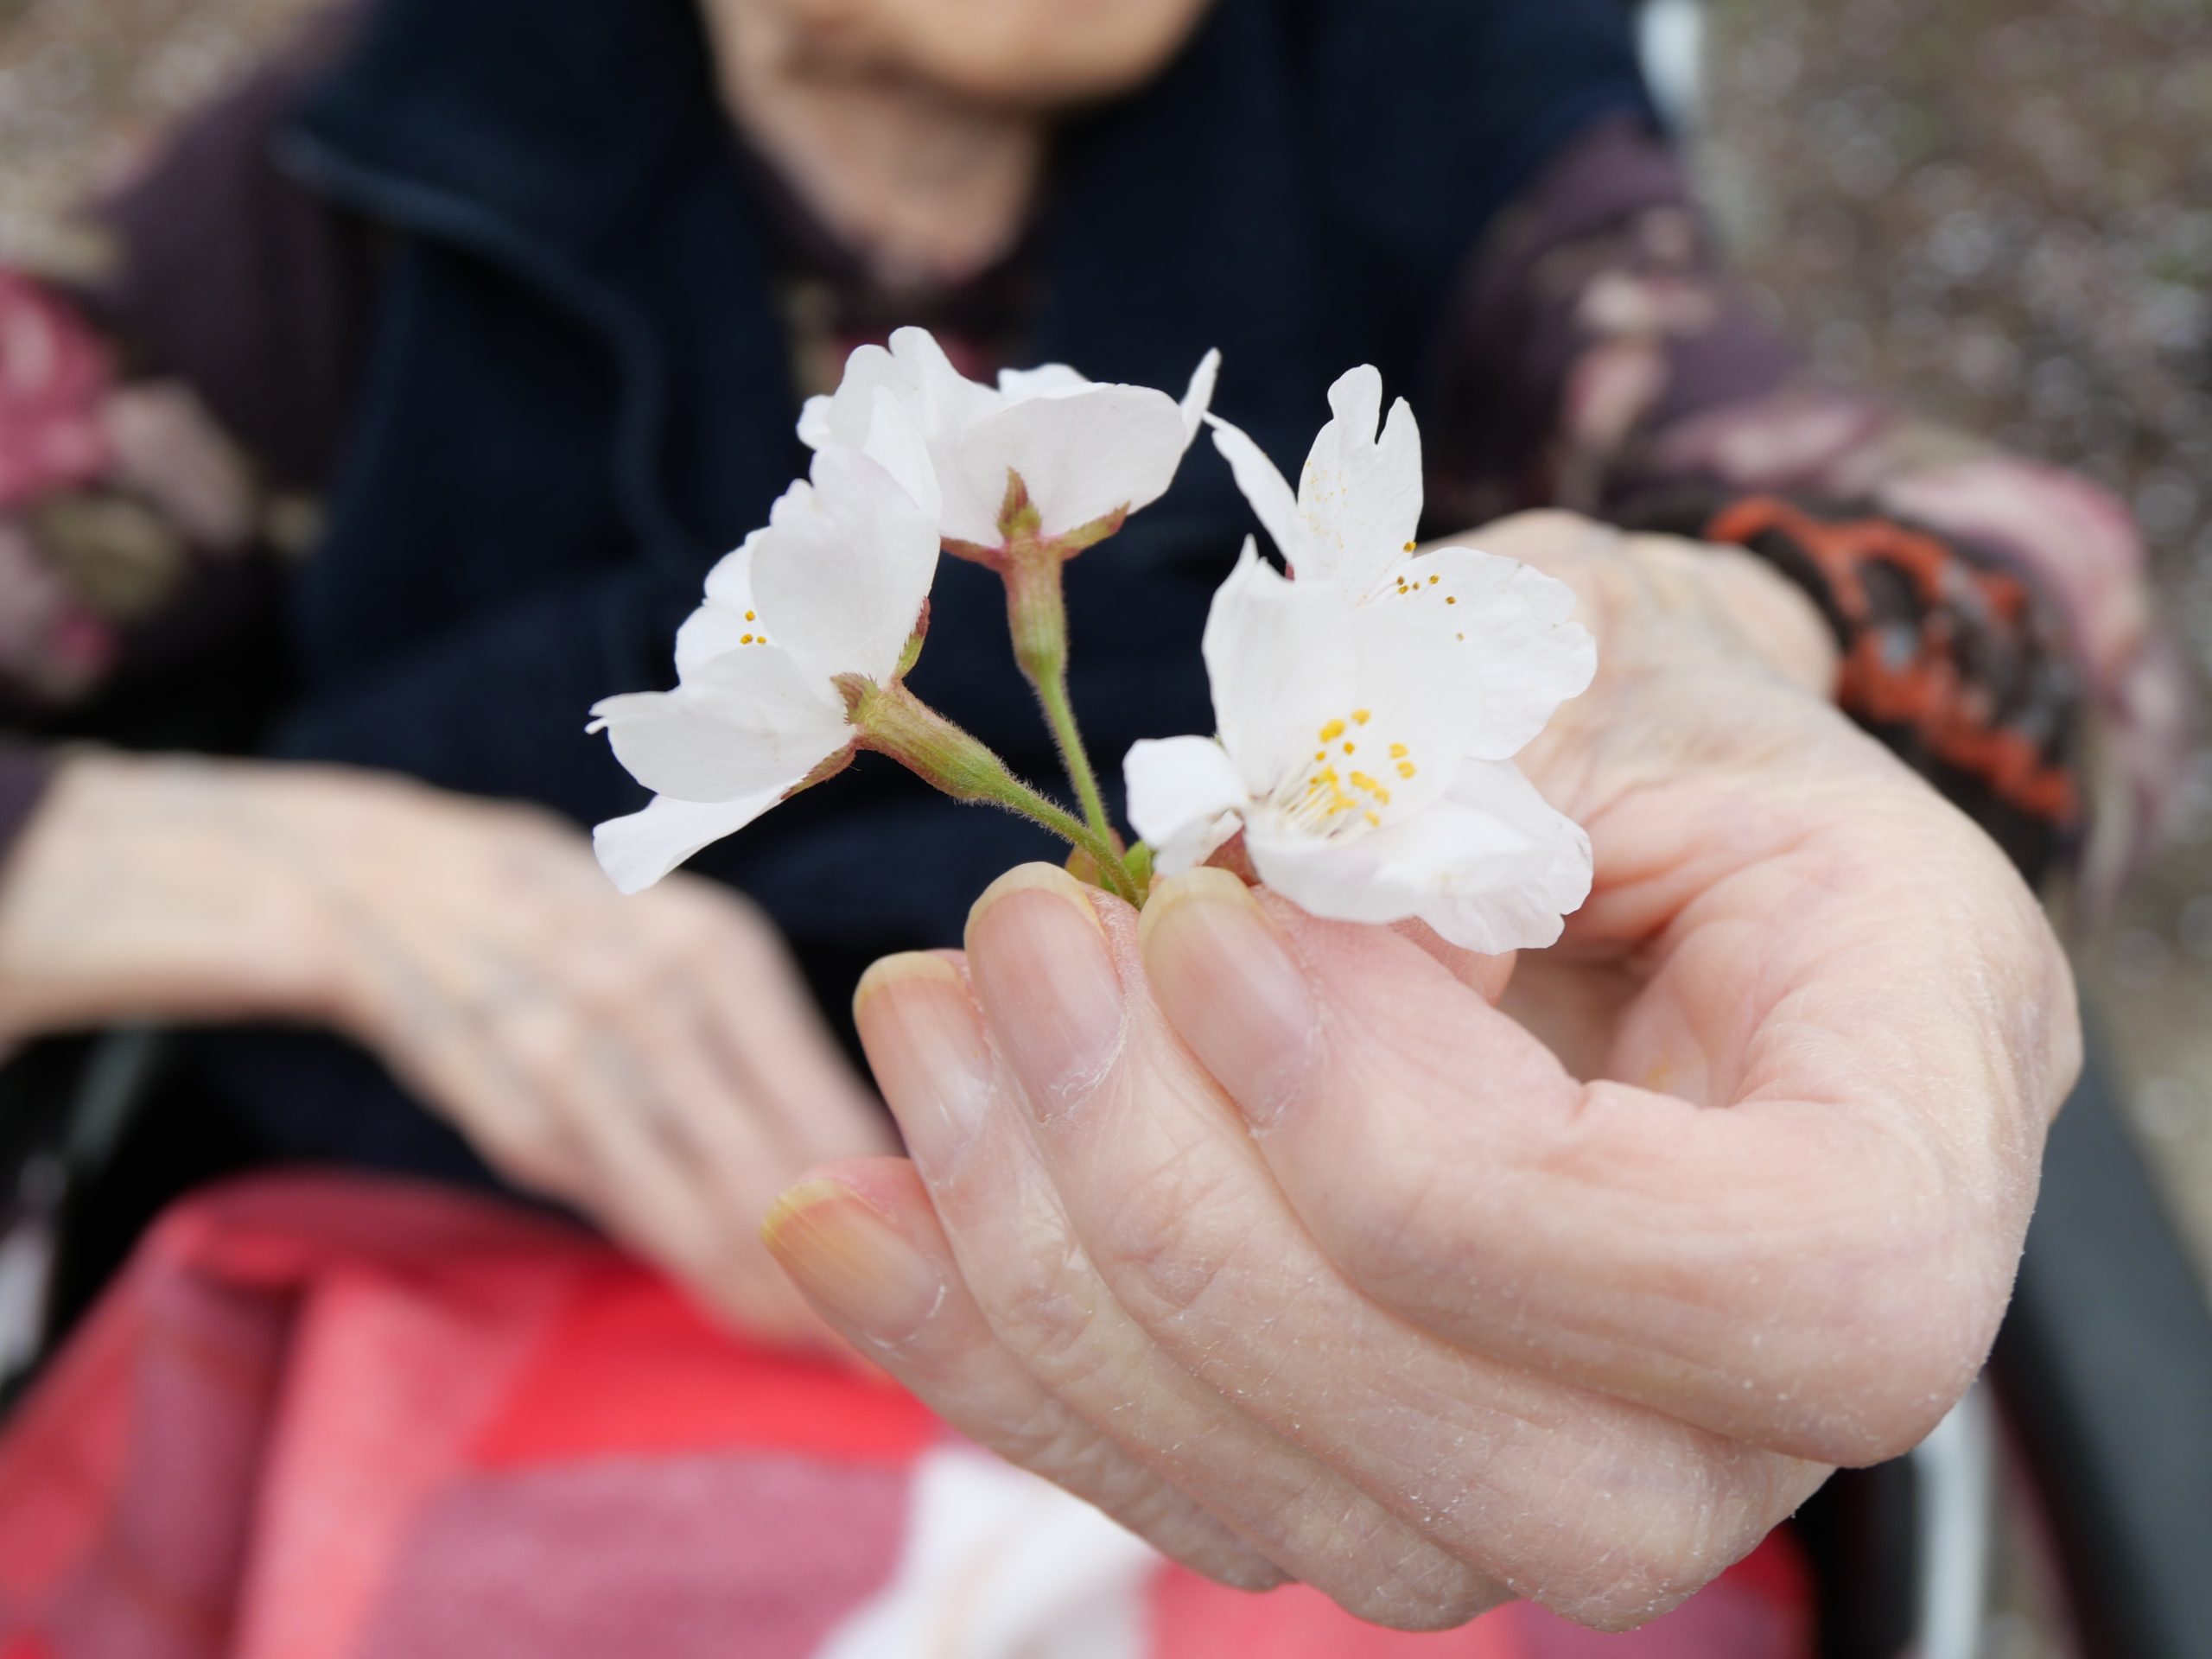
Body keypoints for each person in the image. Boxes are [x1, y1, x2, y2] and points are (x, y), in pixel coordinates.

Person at [0, 0, 2177, 1629]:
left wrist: (1749, 640)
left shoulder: (1432, 111)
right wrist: (279, 873)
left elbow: (2010, 573)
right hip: (485, 1348)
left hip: (1332, 1374)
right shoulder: (349, 187)